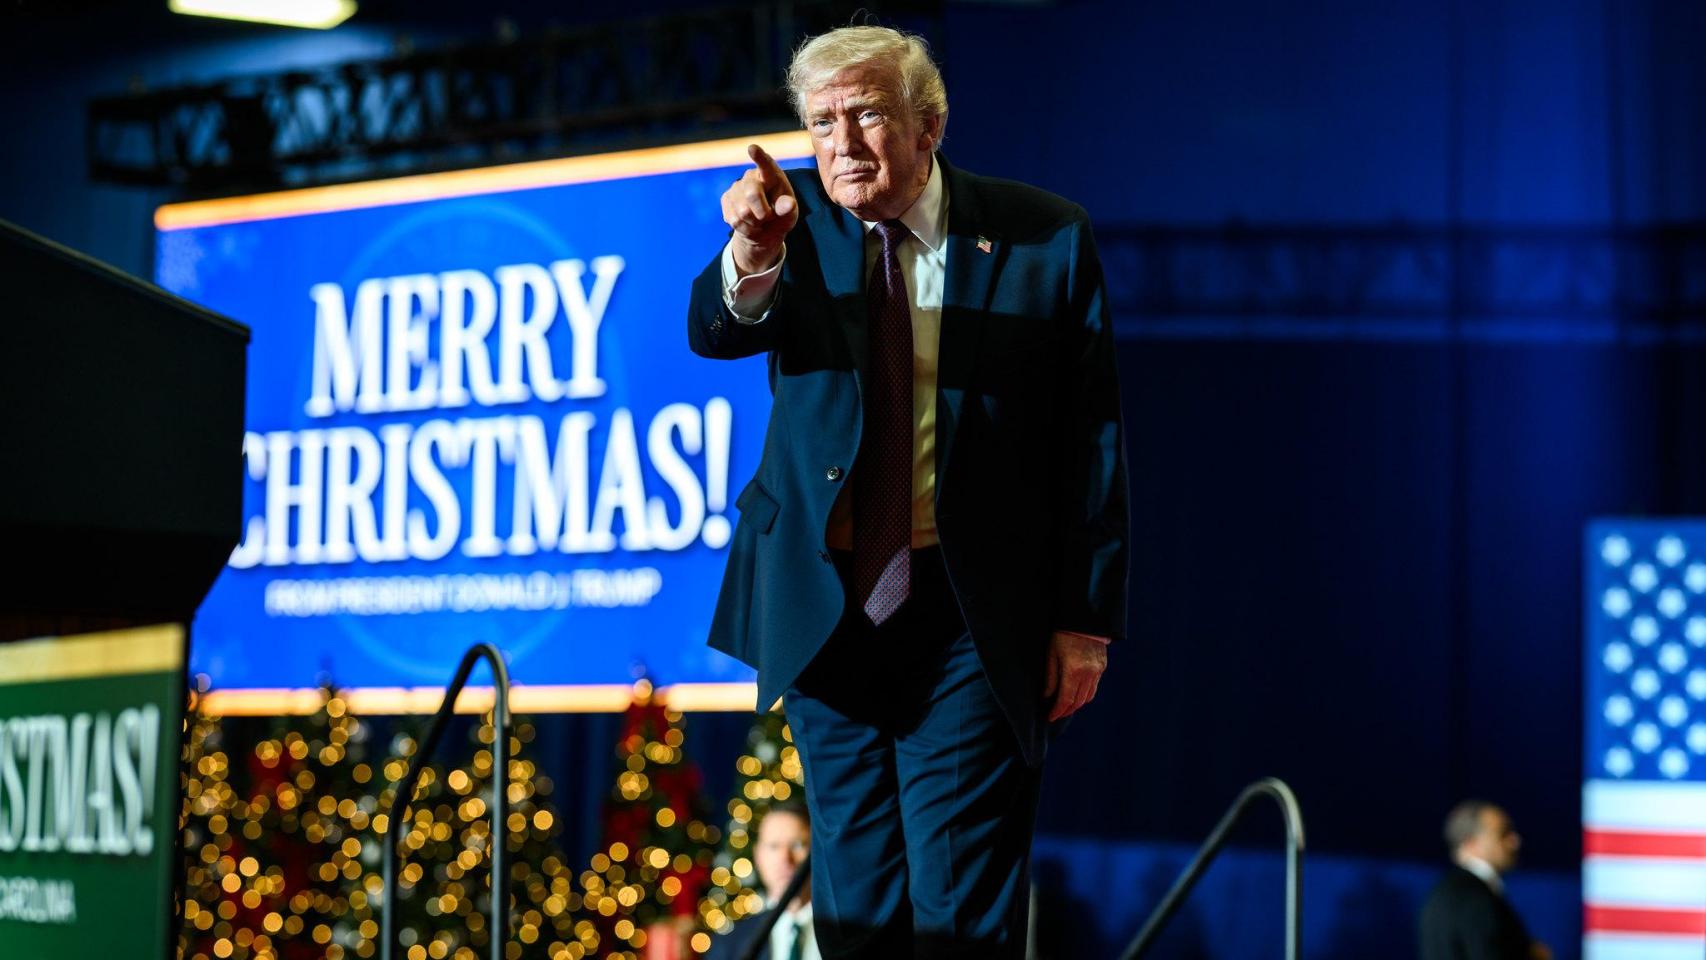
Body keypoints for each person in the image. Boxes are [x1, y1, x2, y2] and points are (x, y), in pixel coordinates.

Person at [687, 23, 1127, 958]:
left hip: (969, 610)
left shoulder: (1042, 236)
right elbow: (718, 331)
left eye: (867, 114)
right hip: (825, 607)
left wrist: (1083, 619)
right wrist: (752, 253)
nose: (842, 143)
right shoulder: (789, 222)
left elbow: (1090, 437)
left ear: (929, 125)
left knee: (959, 902)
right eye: (821, 122)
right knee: (855, 904)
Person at [1418, 800, 1552, 960]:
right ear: (1471, 843)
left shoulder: (1438, 894)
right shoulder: (1475, 897)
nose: (1515, 841)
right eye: (1503, 833)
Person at [709, 802, 818, 960]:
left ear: (817, 851)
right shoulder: (729, 945)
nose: (784, 859)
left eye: (797, 845)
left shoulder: (851, 934)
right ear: (758, 855)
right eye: (773, 846)